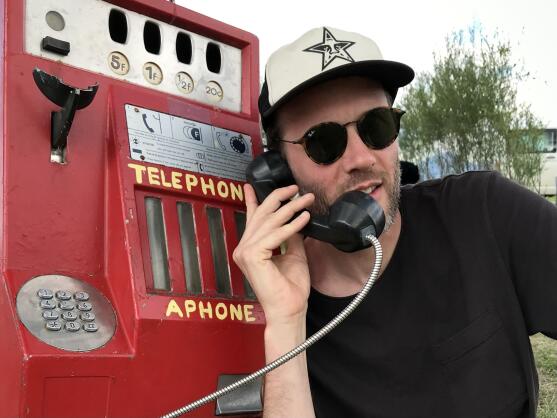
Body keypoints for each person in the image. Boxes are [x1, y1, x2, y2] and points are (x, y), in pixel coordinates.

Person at [233, 26, 557, 418]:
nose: (361, 158)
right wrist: (287, 323)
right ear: (279, 170)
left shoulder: (482, 213)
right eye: (324, 142)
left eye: (377, 126)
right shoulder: (270, 301)